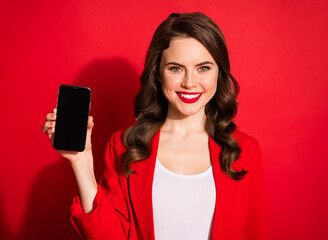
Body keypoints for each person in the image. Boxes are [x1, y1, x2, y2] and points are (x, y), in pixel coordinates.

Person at [42, 12, 267, 240]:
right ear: (158, 73)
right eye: (175, 68)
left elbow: (254, 233)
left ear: (220, 72)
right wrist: (81, 163)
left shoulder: (244, 151)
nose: (189, 82)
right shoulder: (124, 146)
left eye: (203, 68)